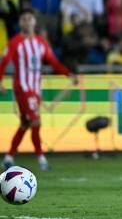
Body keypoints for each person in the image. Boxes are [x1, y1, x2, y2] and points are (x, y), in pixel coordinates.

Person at [0, 9, 78, 171]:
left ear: (34, 22)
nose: (27, 22)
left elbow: (53, 62)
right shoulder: (15, 42)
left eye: (30, 19)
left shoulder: (41, 43)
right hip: (23, 88)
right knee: (36, 121)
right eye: (24, 19)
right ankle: (42, 159)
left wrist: (68, 73)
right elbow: (4, 62)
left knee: (25, 123)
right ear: (20, 23)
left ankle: (8, 157)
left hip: (36, 89)